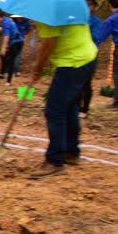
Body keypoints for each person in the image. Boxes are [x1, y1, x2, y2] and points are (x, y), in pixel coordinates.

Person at [25, 14, 98, 177]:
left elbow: (49, 44)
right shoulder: (72, 4)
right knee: (70, 105)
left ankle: (54, 160)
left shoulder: (46, 13)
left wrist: (37, 68)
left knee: (55, 110)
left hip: (72, 64)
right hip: (88, 58)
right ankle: (70, 152)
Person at [82, 0, 105, 117]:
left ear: (94, 7)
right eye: (85, 4)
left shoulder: (97, 22)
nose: (88, 7)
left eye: (90, 4)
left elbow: (96, 38)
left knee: (86, 83)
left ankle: (85, 108)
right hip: (76, 55)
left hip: (90, 55)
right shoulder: (77, 20)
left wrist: (84, 30)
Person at [0, 11, 25, 85]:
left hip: (16, 42)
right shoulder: (7, 19)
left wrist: (3, 48)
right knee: (3, 56)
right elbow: (4, 29)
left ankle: (8, 81)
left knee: (10, 60)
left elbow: (6, 36)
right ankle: (2, 73)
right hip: (18, 41)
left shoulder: (5, 22)